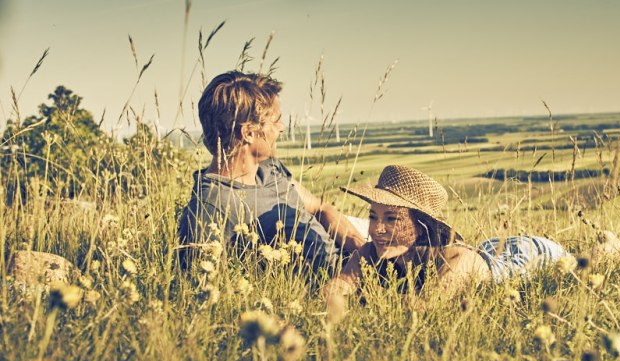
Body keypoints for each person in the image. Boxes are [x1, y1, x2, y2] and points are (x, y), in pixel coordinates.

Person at [178, 71, 365, 272]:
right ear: (248, 133)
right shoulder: (210, 208)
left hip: (353, 253)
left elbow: (319, 208)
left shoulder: (268, 168)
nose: (282, 127)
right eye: (275, 120)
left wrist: (363, 250)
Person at [322, 165, 570, 298]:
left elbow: (426, 308)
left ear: (420, 225)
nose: (377, 229)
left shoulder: (455, 260)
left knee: (586, 259)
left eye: (392, 219)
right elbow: (335, 289)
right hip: (488, 248)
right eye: (373, 216)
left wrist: (366, 295)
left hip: (524, 257)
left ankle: (609, 244)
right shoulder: (370, 254)